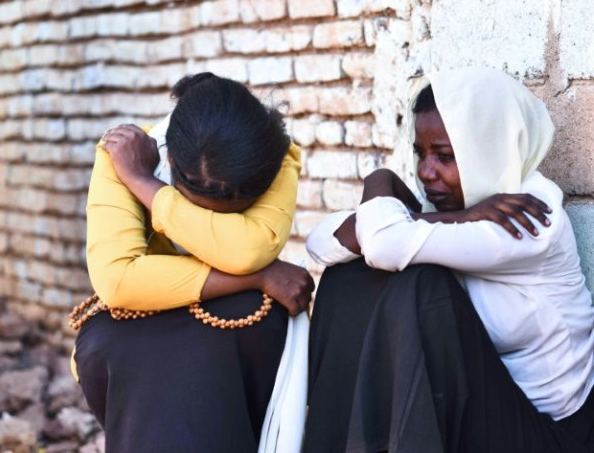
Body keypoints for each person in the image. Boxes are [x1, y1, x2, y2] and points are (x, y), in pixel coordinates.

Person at [303, 66, 594, 452]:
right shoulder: (465, 204)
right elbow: (321, 243)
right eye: (420, 154)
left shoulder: (531, 217)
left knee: (420, 287)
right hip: (482, 406)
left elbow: (382, 243)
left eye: (444, 156)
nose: (426, 173)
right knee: (349, 278)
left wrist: (383, 184)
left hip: (547, 434)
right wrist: (445, 210)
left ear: (488, 148)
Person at [70, 72, 314, 452]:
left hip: (234, 316)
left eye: (228, 214)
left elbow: (247, 250)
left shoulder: (275, 158)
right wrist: (256, 278)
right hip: (142, 313)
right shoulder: (122, 156)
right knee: (103, 342)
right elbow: (117, 281)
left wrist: (147, 188)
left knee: (254, 318)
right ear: (169, 157)